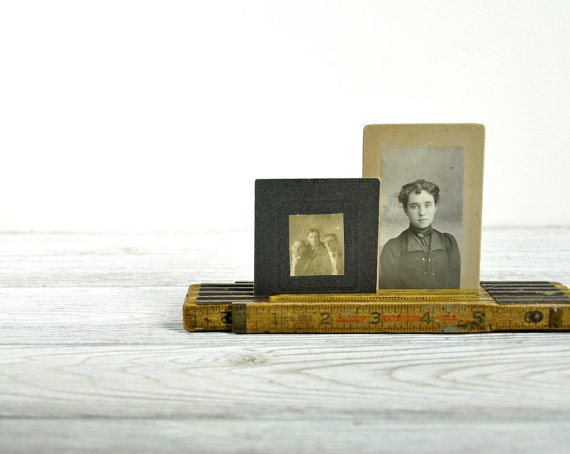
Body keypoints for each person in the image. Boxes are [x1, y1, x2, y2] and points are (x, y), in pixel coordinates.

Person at [379, 179, 460, 289]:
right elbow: (390, 294)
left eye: (427, 205)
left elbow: (455, 289)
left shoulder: (448, 243)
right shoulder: (393, 248)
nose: (422, 213)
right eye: (414, 206)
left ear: (435, 207)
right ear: (405, 210)